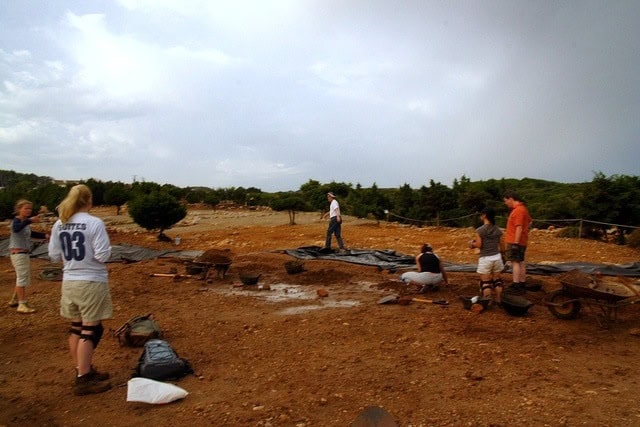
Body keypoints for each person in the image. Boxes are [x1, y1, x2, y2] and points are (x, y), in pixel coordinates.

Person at [48, 184, 113, 396]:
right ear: (89, 200)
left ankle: (81, 370)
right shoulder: (95, 223)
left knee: (76, 328)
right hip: (91, 282)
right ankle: (84, 379)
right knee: (90, 330)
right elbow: (103, 255)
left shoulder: (60, 223)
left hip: (69, 281)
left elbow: (54, 256)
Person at [8, 199, 48, 313]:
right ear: (19, 209)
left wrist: (45, 235)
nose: (28, 210)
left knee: (21, 277)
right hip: (18, 253)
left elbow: (32, 234)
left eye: (30, 208)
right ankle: (22, 304)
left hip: (22, 253)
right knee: (22, 278)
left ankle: (15, 299)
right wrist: (30, 220)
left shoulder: (24, 222)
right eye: (26, 208)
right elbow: (16, 229)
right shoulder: (16, 221)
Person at [469, 207, 505, 304]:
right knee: (497, 280)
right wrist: (503, 255)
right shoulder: (498, 230)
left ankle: (487, 301)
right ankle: (499, 299)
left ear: (484, 215)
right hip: (497, 257)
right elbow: (502, 245)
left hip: (486, 258)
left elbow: (479, 245)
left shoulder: (480, 230)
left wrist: (472, 244)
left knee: (486, 282)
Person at [503, 190, 533, 294]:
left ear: (511, 199)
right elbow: (530, 222)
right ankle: (521, 283)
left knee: (515, 262)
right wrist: (525, 232)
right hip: (522, 240)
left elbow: (519, 227)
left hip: (514, 241)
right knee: (521, 262)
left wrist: (515, 242)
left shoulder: (518, 211)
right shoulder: (523, 209)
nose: (505, 203)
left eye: (506, 200)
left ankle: (516, 285)